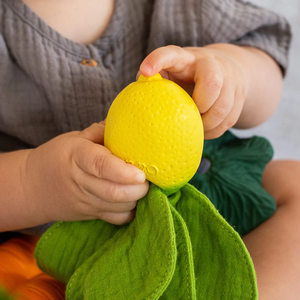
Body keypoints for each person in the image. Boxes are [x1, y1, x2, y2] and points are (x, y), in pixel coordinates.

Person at [0, 0, 297, 298]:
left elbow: (264, 53)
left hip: (208, 202)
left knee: (292, 181)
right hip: (70, 249)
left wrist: (231, 69)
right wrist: (34, 181)